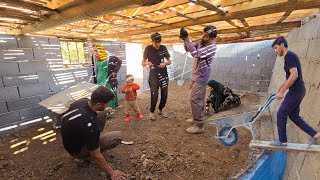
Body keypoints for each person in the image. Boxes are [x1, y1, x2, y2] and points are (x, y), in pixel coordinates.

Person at [60, 86, 128, 179]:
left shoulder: (82, 101)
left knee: (103, 113)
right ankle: (82, 158)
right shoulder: (90, 124)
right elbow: (95, 155)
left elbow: (92, 115)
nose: (108, 105)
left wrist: (105, 110)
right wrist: (111, 172)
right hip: (77, 150)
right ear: (99, 104)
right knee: (117, 137)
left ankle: (94, 141)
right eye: (107, 103)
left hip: (71, 141)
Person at [270, 36, 320, 146]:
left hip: (296, 91)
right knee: (293, 115)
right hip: (298, 90)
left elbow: (294, 75)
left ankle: (282, 141)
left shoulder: (289, 56)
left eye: (276, 48)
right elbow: (289, 78)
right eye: (274, 49)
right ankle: (315, 134)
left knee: (281, 112)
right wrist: (279, 89)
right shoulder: (288, 57)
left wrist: (282, 92)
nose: (276, 51)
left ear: (282, 45)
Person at [180, 25, 217, 134]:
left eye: (206, 35)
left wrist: (187, 38)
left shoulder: (212, 47)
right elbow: (188, 48)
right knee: (197, 98)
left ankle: (199, 125)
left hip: (201, 76)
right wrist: (184, 39)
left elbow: (195, 53)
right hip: (195, 74)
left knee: (195, 99)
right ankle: (196, 117)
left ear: (212, 38)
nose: (204, 36)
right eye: (204, 33)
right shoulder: (202, 42)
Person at [141, 32, 171, 120]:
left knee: (164, 94)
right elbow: (142, 63)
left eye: (159, 42)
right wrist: (147, 63)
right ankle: (152, 112)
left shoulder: (163, 48)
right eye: (156, 42)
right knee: (154, 94)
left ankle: (161, 110)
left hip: (164, 74)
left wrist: (165, 63)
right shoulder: (148, 49)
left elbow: (169, 61)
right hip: (153, 75)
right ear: (152, 41)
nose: (158, 44)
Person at [92, 43, 121, 109]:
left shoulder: (109, 57)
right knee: (102, 92)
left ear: (101, 50)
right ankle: (106, 108)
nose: (94, 52)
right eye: (93, 51)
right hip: (100, 76)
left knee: (108, 91)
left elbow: (119, 62)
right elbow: (96, 69)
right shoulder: (96, 58)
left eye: (96, 50)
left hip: (107, 77)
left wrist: (115, 71)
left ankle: (110, 109)